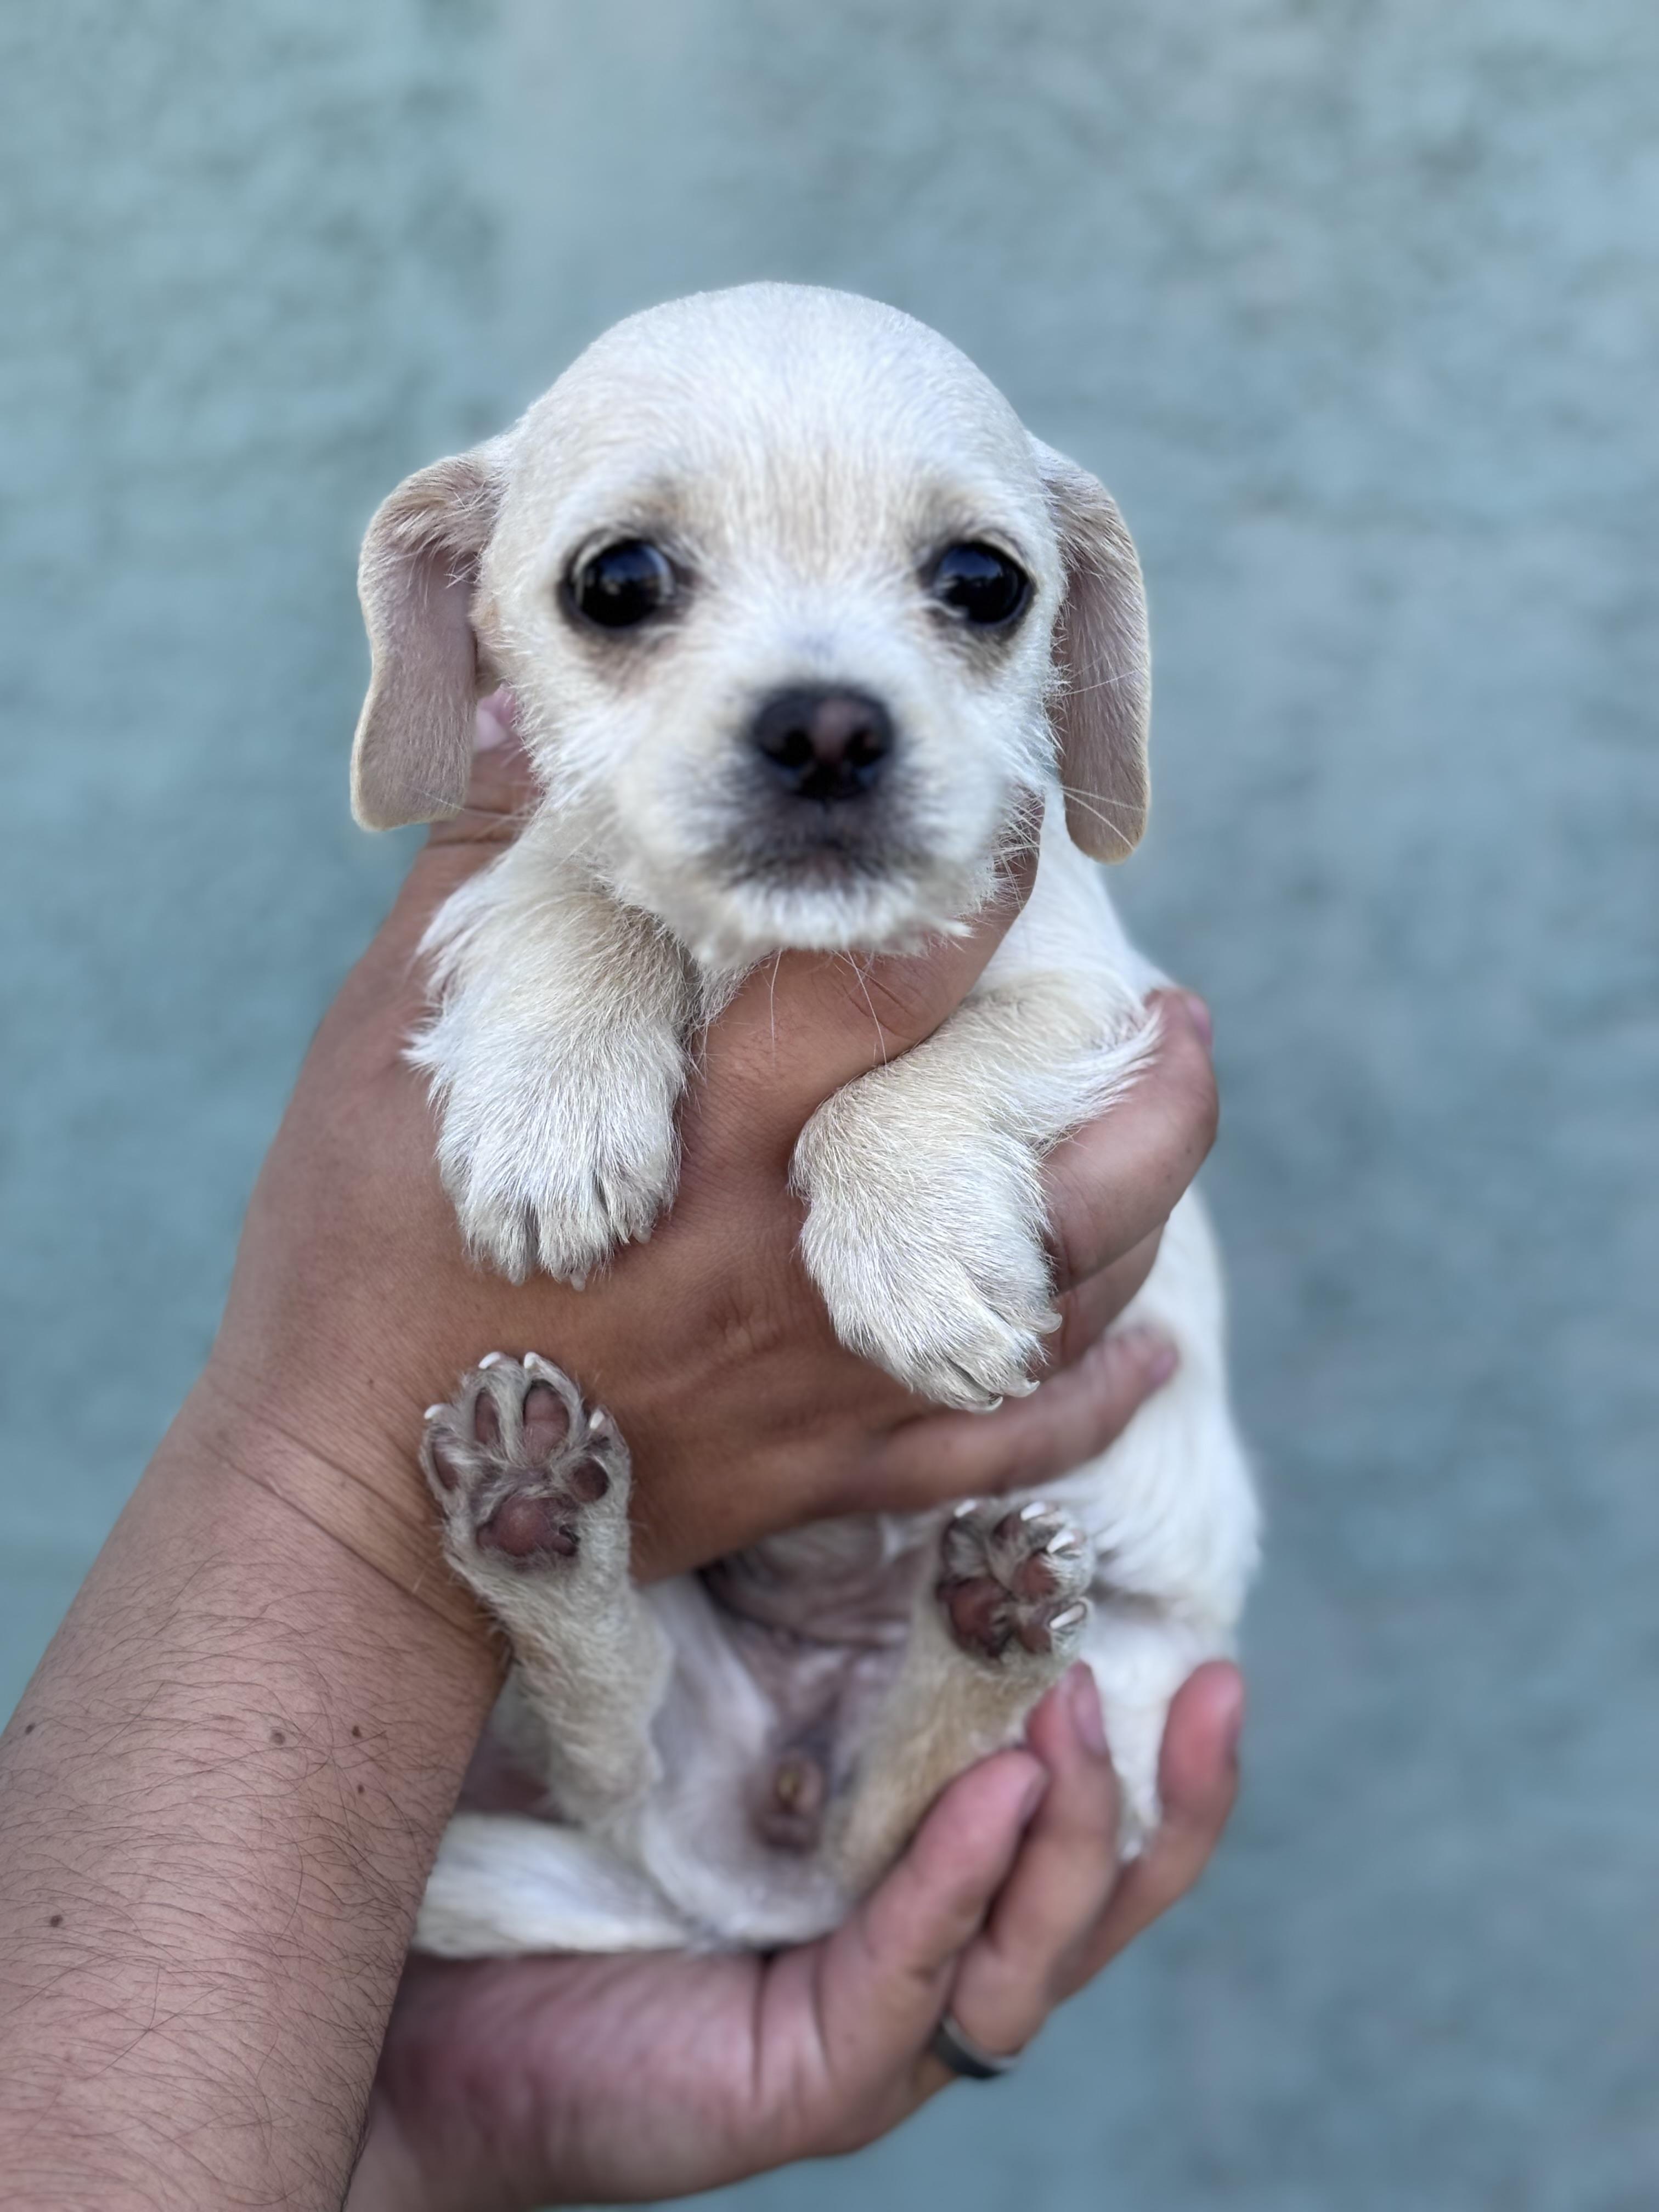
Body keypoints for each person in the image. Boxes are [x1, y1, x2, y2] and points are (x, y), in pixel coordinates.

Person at [0, 703, 1243, 2211]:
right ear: (467, 639)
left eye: (969, 587)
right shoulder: (572, 848)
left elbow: (1093, 1036)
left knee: (1085, 1721)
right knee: (615, 1682)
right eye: (629, 589)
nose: (824, 714)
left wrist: (412, 2120)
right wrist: (348, 1498)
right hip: (695, 1711)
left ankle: (895, 1680)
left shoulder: (991, 845)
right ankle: (653, 1618)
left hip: (1020, 1653)